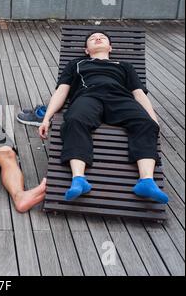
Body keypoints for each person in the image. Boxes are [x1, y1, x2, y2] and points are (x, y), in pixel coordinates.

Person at [38, 31, 168, 203]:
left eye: (102, 37)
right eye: (92, 38)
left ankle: (146, 181)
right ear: (86, 50)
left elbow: (139, 94)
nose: (97, 38)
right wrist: (46, 118)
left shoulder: (124, 65)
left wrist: (153, 120)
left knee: (145, 123)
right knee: (75, 120)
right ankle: (78, 179)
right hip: (88, 97)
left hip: (120, 99)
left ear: (110, 47)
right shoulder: (76, 63)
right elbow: (62, 90)